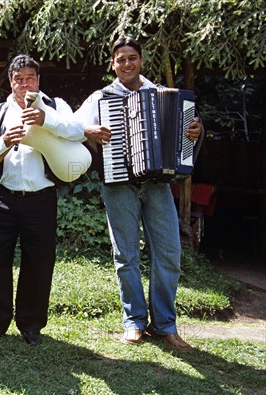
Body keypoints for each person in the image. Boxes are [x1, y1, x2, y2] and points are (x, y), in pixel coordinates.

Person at [75, 37, 203, 352]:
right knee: (125, 255)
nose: (127, 64)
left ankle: (164, 326)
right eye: (121, 59)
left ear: (141, 61)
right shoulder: (100, 98)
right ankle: (134, 322)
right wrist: (88, 131)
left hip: (158, 183)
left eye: (133, 58)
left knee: (169, 253)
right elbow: (70, 128)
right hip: (118, 182)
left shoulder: (162, 94)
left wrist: (195, 131)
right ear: (112, 64)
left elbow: (189, 133)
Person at [0, 54, 86, 346]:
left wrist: (45, 119)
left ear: (38, 80)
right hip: (4, 198)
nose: (24, 84)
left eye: (29, 78)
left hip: (41, 198)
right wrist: (4, 140)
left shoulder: (55, 105)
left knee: (38, 262)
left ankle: (31, 324)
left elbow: (77, 132)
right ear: (10, 82)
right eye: (18, 79)